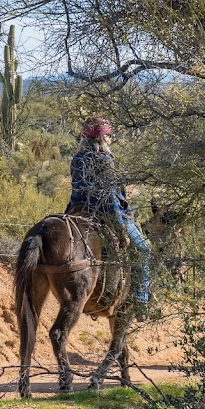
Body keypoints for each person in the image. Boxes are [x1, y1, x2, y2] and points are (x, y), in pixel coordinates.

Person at [65, 116, 150, 306]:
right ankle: (141, 299)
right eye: (108, 136)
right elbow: (110, 197)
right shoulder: (106, 159)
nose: (110, 139)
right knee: (144, 249)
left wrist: (69, 213)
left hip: (78, 210)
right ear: (104, 139)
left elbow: (76, 191)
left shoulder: (77, 158)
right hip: (106, 212)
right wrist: (119, 223)